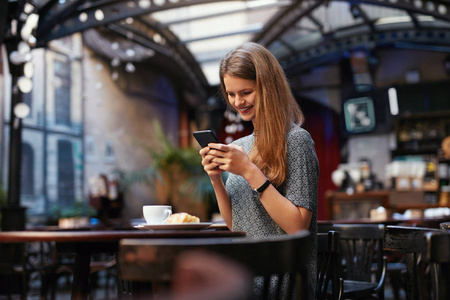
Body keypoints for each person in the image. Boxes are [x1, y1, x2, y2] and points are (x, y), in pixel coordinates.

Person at [199, 42, 319, 298]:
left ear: (268, 87)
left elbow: (298, 227)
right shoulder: (240, 147)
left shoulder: (297, 141)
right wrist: (216, 179)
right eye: (231, 94)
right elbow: (237, 225)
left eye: (246, 92)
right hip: (247, 276)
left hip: (283, 282)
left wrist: (251, 172)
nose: (238, 102)